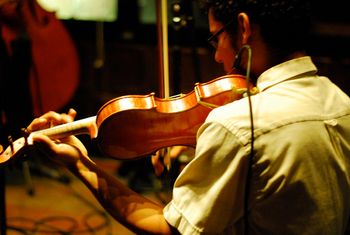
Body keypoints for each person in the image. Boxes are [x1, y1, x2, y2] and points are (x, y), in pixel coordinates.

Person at [25, 0, 350, 234]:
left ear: (243, 27)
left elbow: (168, 228)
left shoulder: (238, 125)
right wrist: (198, 149)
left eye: (216, 38)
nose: (218, 56)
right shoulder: (341, 101)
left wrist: (80, 163)